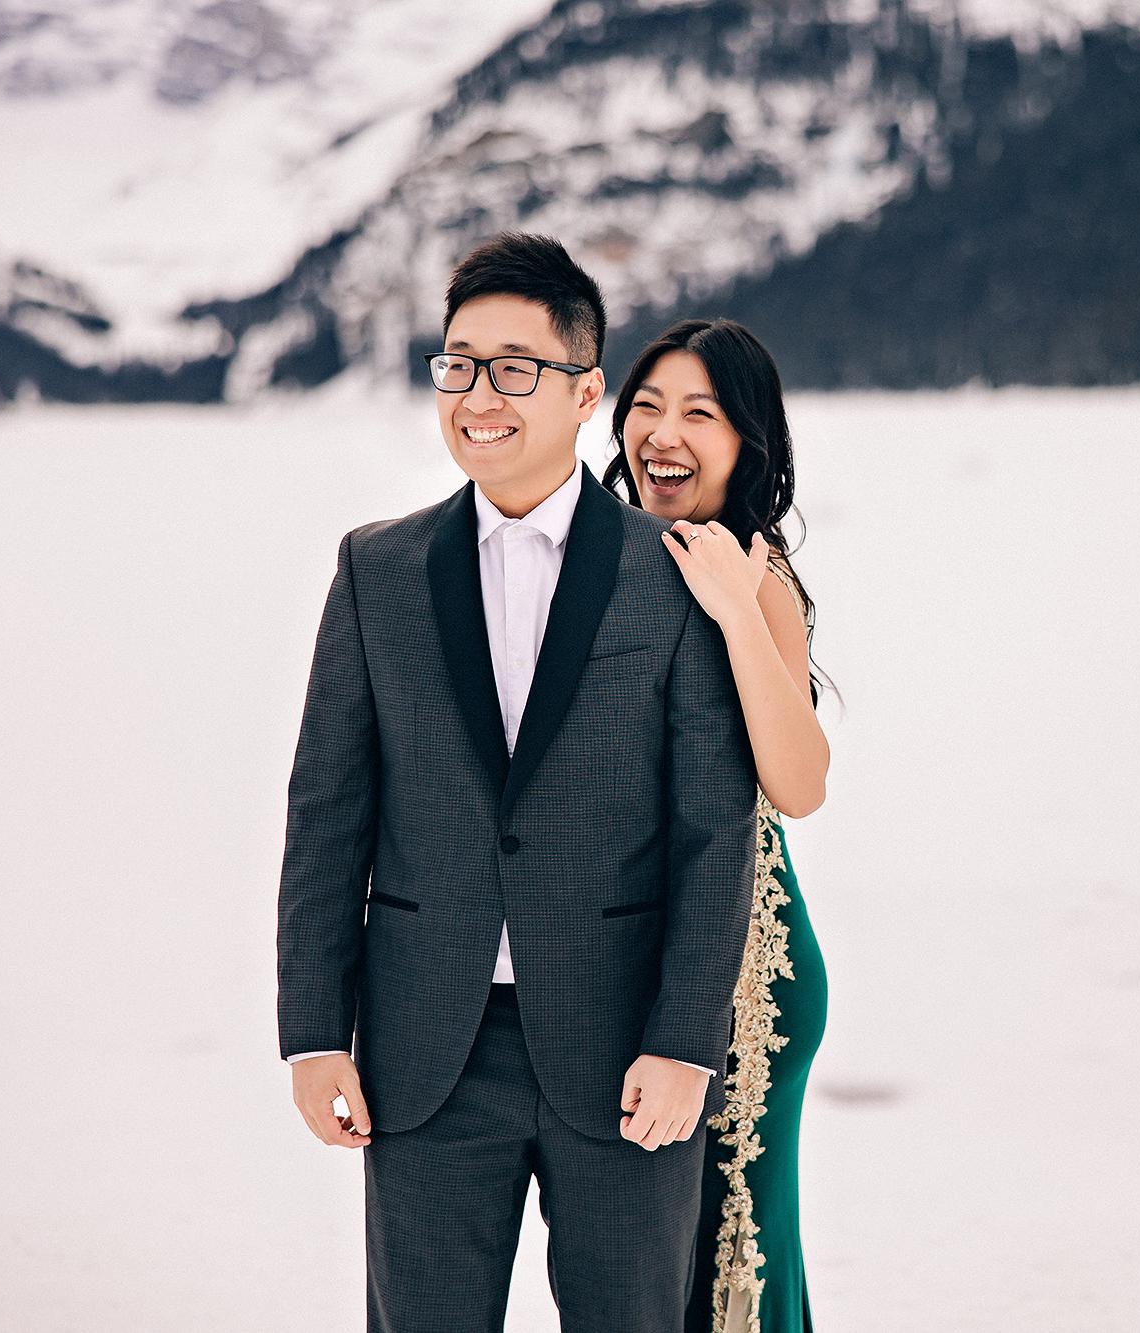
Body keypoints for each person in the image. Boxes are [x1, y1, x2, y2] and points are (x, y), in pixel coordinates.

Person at [275, 231, 759, 1332]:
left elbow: (711, 828)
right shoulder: (376, 569)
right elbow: (327, 816)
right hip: (422, 1051)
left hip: (626, 1048)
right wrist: (312, 1032)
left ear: (585, 392)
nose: (477, 395)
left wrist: (686, 1038)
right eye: (457, 363)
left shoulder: (672, 569)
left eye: (513, 367)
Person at [602, 319, 832, 1333]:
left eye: (700, 412)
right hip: (638, 961)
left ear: (746, 442)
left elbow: (798, 781)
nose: (664, 432)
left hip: (747, 977)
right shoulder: (602, 557)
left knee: (732, 1257)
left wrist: (738, 609)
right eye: (647, 405)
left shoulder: (753, 569)